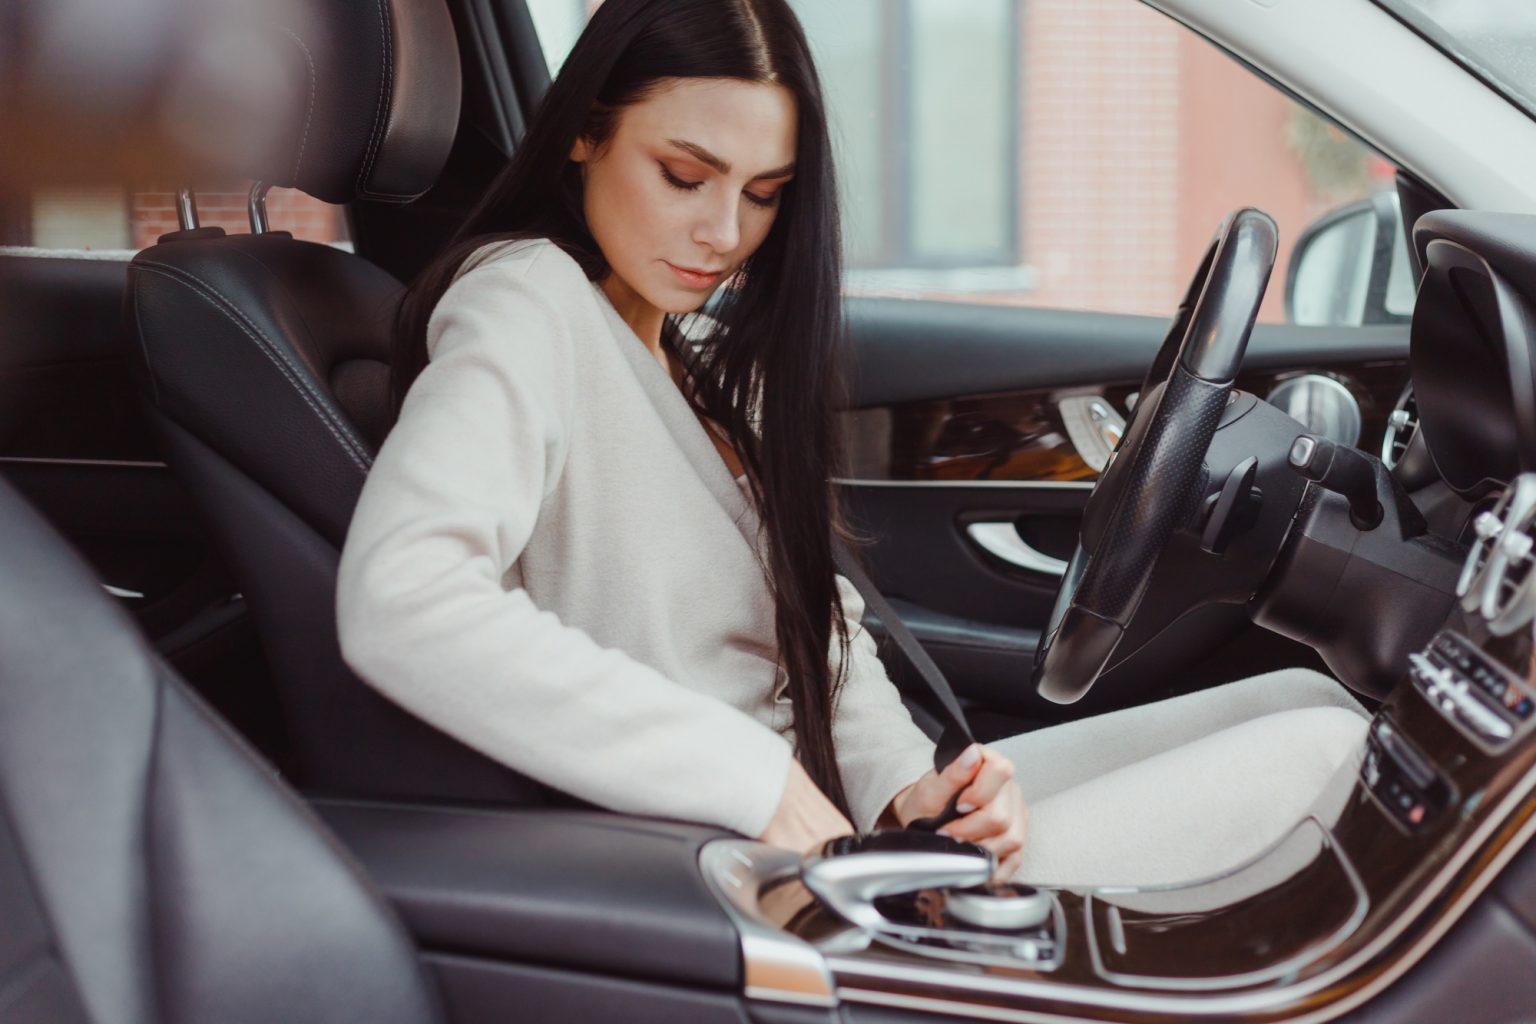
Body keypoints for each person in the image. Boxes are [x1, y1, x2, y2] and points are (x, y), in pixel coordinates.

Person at [336, 0, 1368, 888]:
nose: (724, 234)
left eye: (764, 193)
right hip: (743, 870)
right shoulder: (528, 299)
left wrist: (914, 789)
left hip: (840, 830)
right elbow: (404, 594)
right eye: (684, 174)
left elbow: (815, 649)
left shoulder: (675, 347)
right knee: (1327, 750)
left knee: (1308, 694)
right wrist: (754, 781)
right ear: (585, 135)